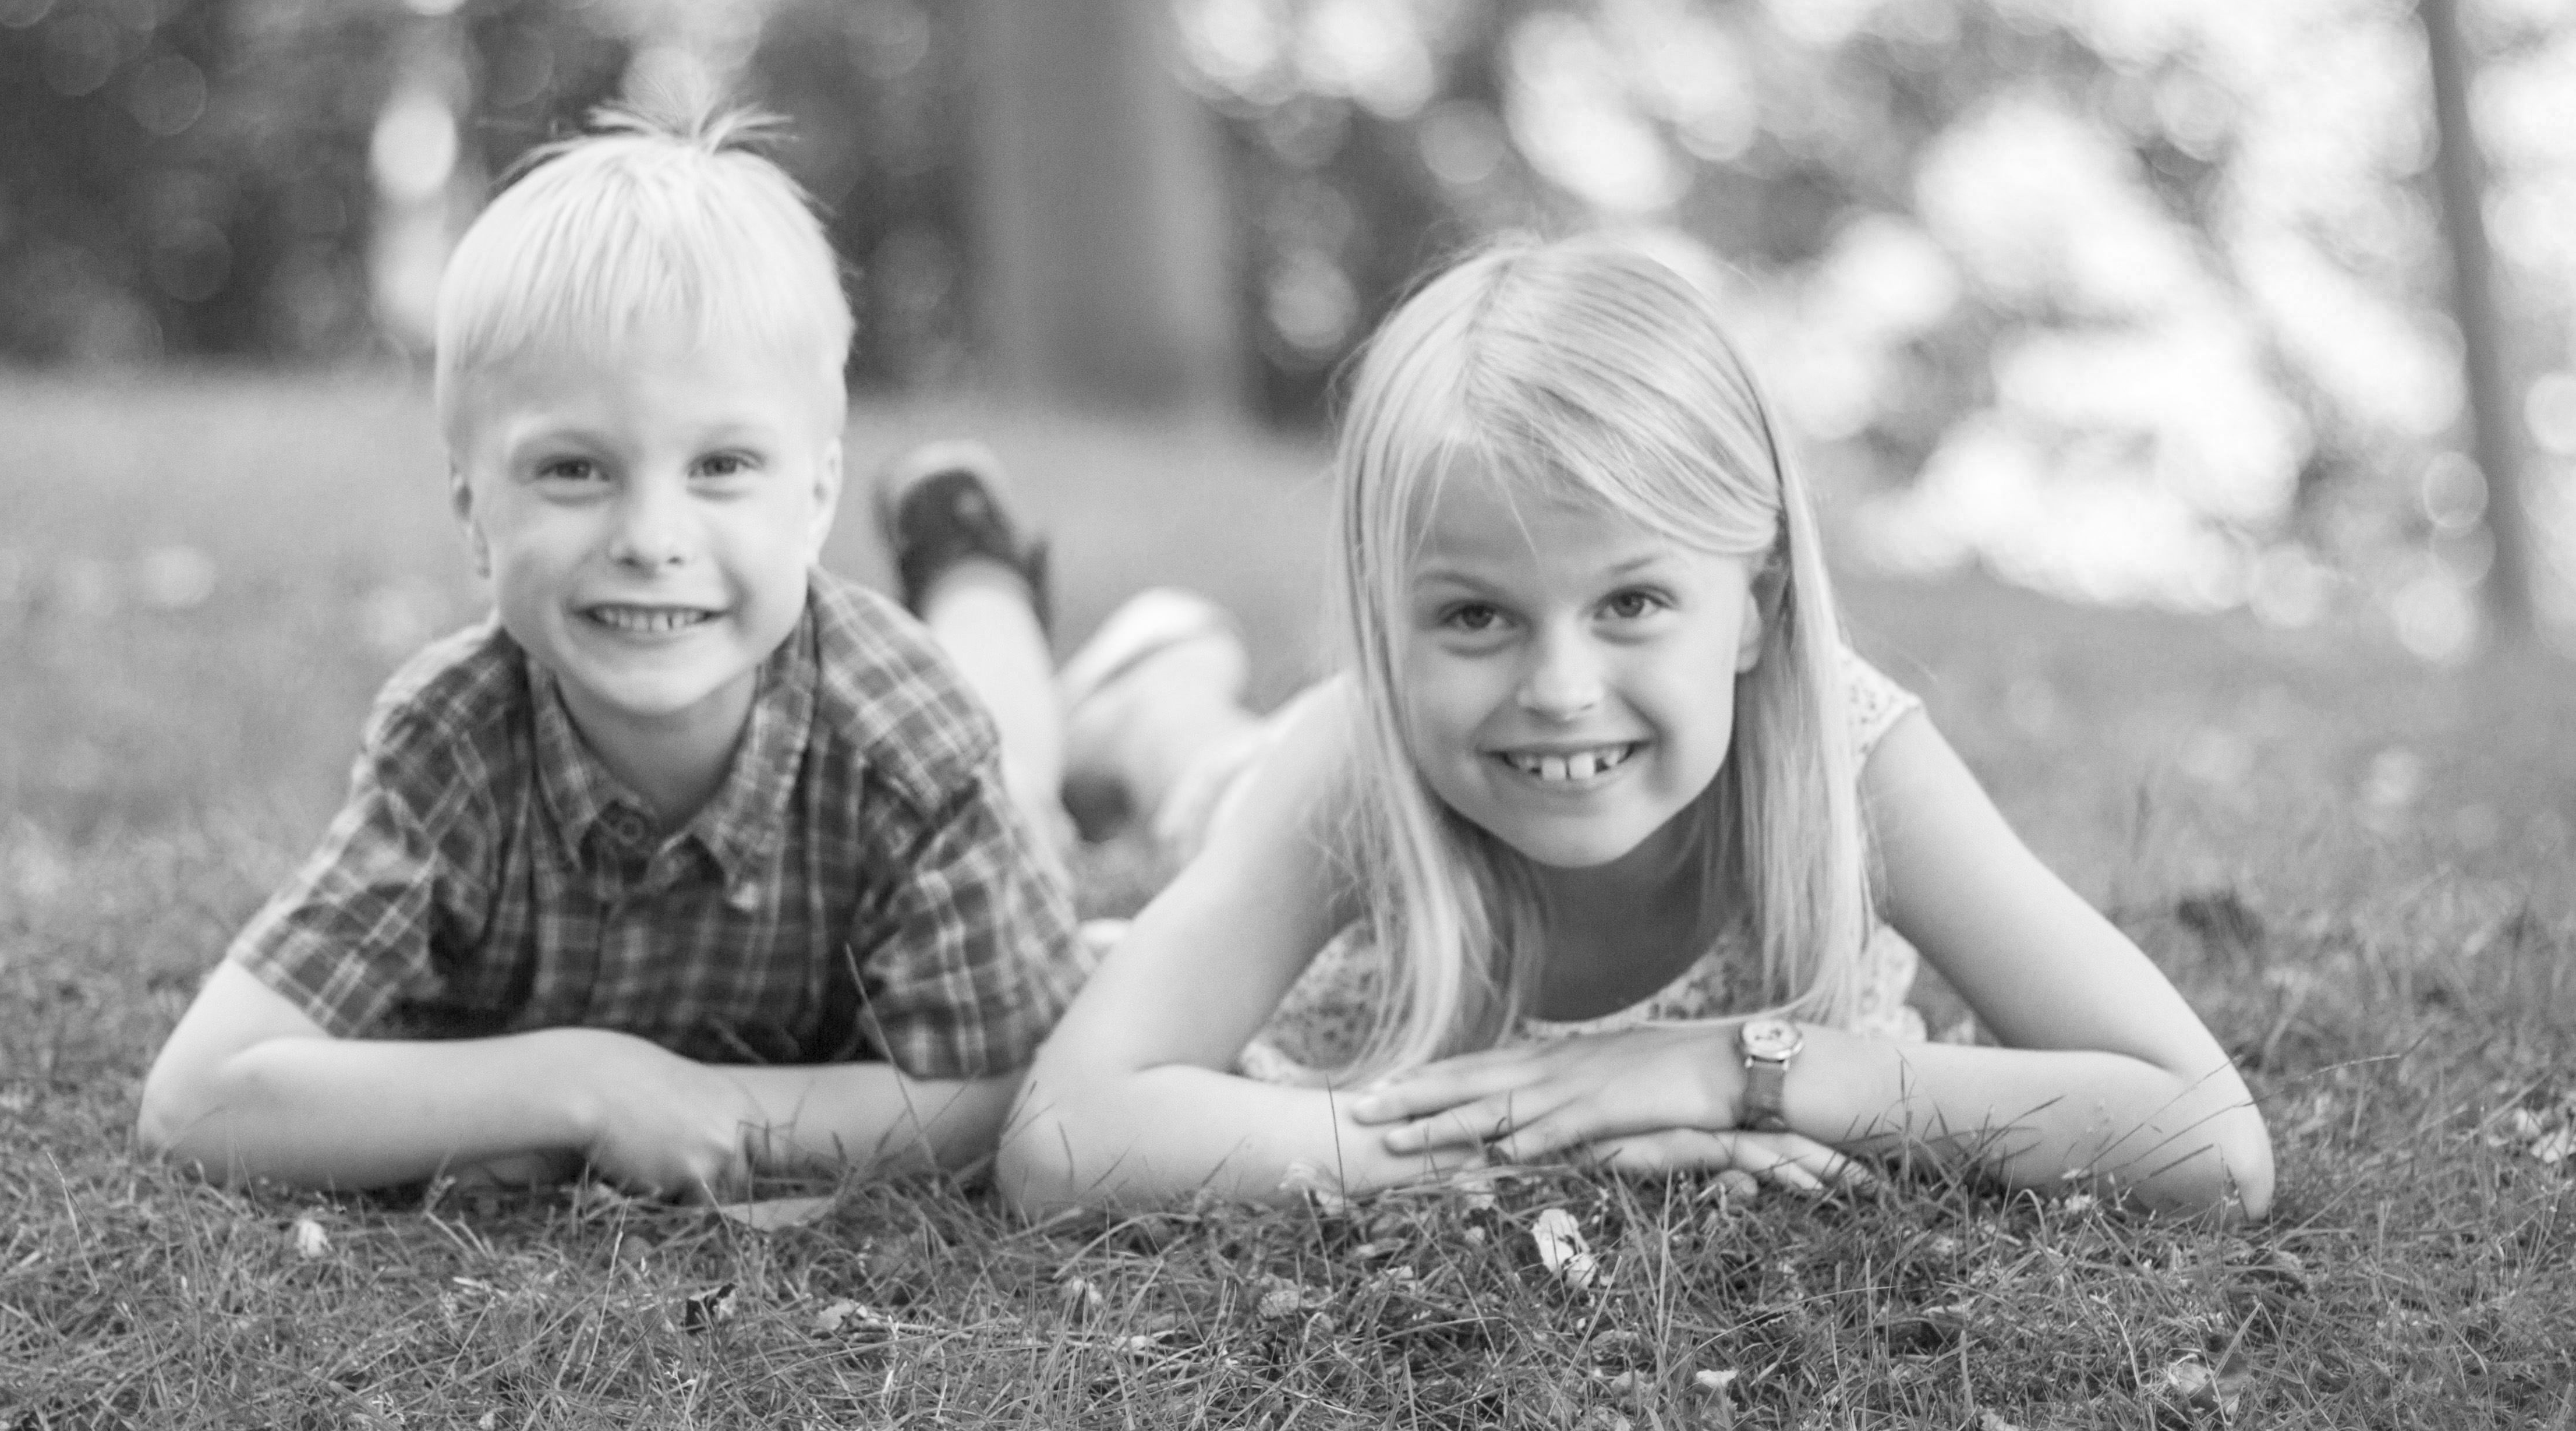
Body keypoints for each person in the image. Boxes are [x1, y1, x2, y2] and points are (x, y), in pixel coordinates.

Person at [997, 238, 2276, 1220]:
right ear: (1385, 628)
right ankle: (1153, 693)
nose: (1561, 684)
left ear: (1756, 607)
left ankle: (1168, 688)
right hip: (1303, 780)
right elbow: (1063, 1134)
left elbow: (2208, 1139)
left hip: (1469, 769)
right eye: (1475, 615)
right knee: (1214, 778)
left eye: (1630, 603)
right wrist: (1518, 1139)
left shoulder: (1844, 754)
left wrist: (1732, 1068)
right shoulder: (1354, 760)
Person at [135, 106, 1088, 1199]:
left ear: (818, 495)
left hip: (959, 750)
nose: (650, 539)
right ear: (472, 510)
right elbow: (195, 1101)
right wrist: (579, 1084)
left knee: (1025, 773)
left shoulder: (908, 742)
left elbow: (998, 1092)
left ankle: (978, 570)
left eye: (721, 466)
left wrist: (709, 1115)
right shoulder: (453, 745)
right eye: (575, 471)